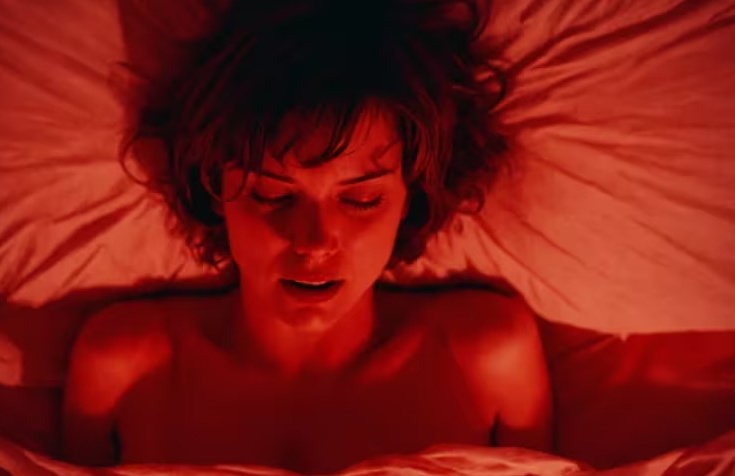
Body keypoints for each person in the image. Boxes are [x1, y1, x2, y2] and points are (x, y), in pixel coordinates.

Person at [62, 0, 553, 473]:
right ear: (214, 187)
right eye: (273, 196)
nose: (315, 242)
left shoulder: (485, 360)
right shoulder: (123, 367)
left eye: (361, 200)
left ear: (410, 199)